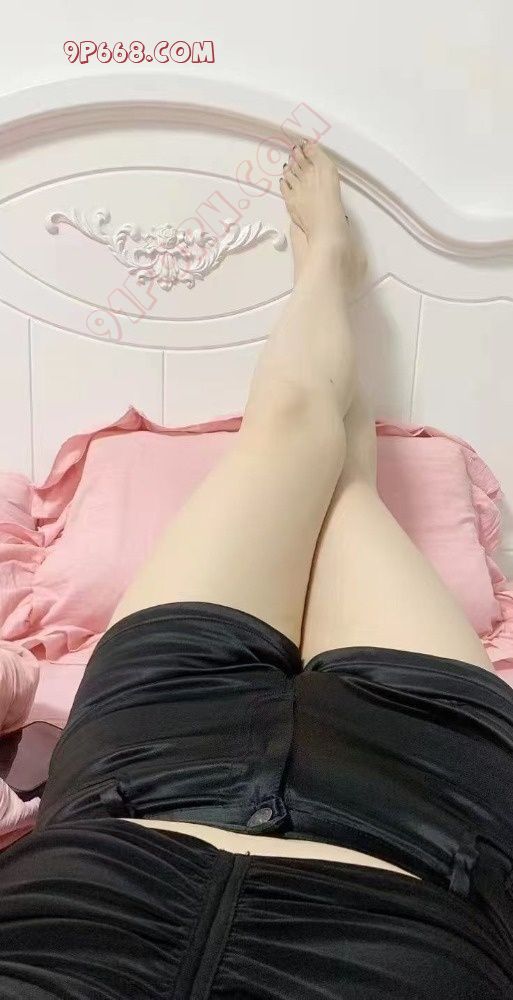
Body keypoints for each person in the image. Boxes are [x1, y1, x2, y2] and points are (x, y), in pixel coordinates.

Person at [0, 140, 512, 999]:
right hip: (426, 823)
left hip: (140, 768)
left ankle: (323, 271)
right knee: (346, 493)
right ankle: (330, 283)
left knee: (293, 429)